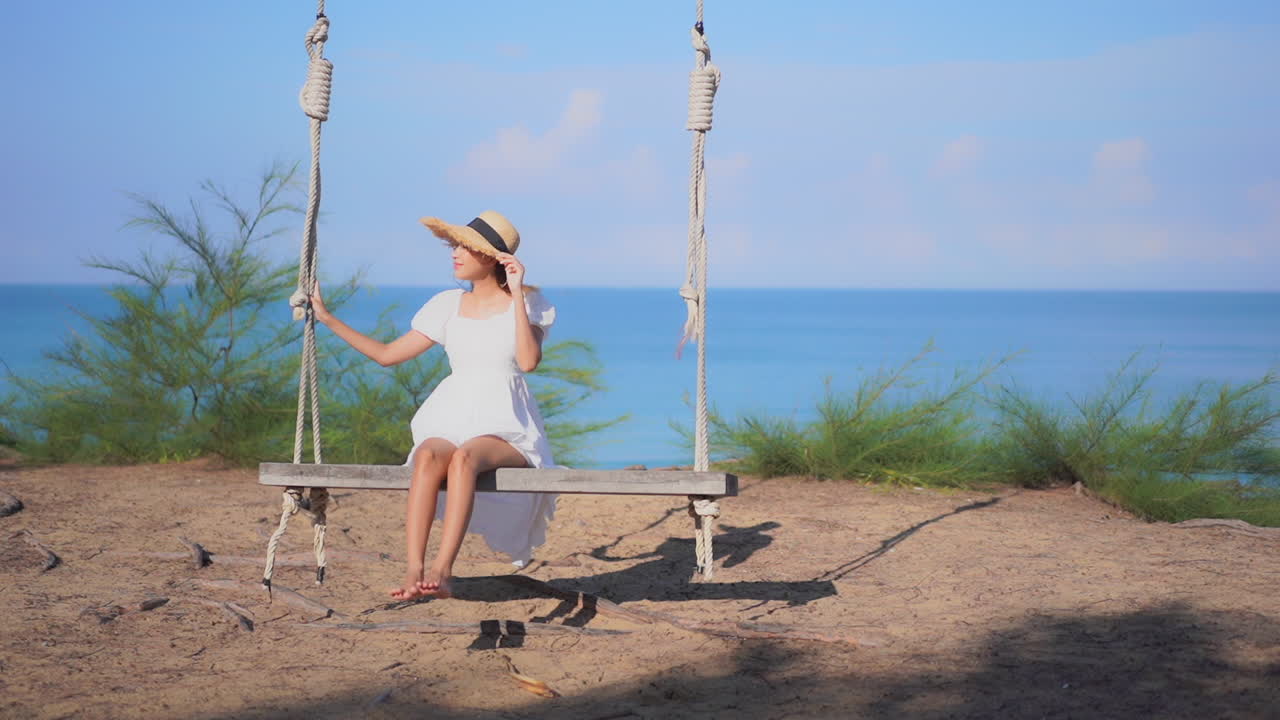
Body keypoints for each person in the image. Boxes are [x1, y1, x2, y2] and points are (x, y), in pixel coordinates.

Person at [308, 210, 559, 600]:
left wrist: (516, 291)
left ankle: (442, 571)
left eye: (465, 247)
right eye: (454, 245)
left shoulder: (528, 303)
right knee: (426, 454)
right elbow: (388, 355)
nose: (455, 253)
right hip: (454, 414)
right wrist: (326, 318)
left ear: (492, 258)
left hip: (509, 427)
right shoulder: (447, 304)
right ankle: (414, 569)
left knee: (465, 458)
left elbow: (528, 362)